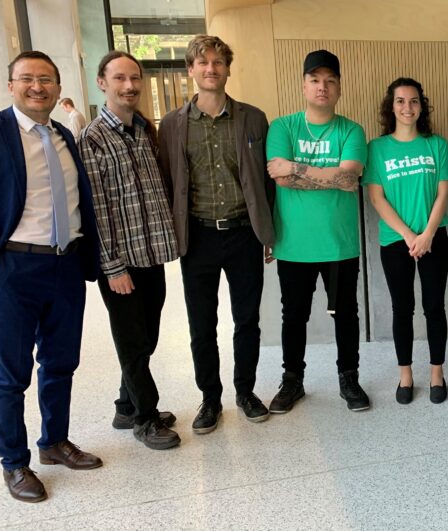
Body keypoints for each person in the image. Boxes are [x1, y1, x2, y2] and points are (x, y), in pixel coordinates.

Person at [0, 51, 102, 503]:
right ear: (11, 86)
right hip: (12, 269)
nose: (37, 86)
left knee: (61, 363)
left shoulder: (62, 135)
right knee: (11, 374)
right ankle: (14, 464)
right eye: (27, 79)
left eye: (46, 79)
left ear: (59, 88)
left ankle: (53, 443)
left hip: (64, 266)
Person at [158, 35, 275, 433]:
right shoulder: (173, 125)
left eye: (218, 62)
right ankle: (210, 398)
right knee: (201, 324)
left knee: (247, 320)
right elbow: (167, 180)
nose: (211, 69)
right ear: (190, 70)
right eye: (202, 63)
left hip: (244, 233)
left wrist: (268, 232)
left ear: (228, 68)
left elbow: (265, 181)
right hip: (199, 237)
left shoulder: (253, 118)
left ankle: (245, 391)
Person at [79, 51, 180, 450]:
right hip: (120, 264)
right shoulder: (92, 138)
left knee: (147, 338)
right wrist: (113, 266)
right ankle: (145, 417)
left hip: (151, 254)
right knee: (132, 343)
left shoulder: (144, 129)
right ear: (102, 82)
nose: (130, 86)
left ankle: (125, 404)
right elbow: (97, 210)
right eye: (119, 78)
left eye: (135, 77)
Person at [265, 49, 370, 413]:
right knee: (293, 316)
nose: (322, 87)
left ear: (339, 87)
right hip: (294, 244)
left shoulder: (352, 129)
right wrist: (330, 177)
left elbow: (350, 176)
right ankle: (292, 380)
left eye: (329, 81)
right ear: (303, 85)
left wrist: (297, 168)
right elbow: (279, 178)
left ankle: (349, 378)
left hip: (339, 244)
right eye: (314, 80)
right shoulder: (283, 127)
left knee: (346, 313)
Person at [363, 78, 448, 404]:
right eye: (401, 101)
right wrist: (408, 235)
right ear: (392, 106)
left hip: (434, 238)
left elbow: (445, 191)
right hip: (395, 242)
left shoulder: (436, 145)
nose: (407, 107)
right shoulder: (377, 148)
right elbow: (376, 197)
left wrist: (428, 233)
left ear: (422, 106)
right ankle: (405, 375)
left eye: (414, 101)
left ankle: (436, 373)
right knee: (402, 309)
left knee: (434, 307)